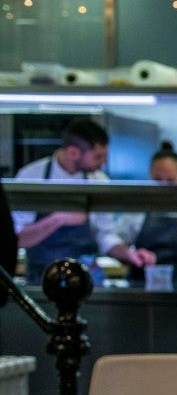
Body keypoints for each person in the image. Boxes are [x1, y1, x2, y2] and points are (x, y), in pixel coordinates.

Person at [12, 118, 150, 285]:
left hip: (87, 277)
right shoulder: (31, 176)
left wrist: (128, 254)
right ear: (72, 152)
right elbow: (20, 239)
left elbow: (105, 235)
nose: (104, 162)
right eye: (98, 156)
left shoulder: (99, 181)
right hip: (43, 277)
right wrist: (58, 218)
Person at [115, 141, 177, 291]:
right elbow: (118, 243)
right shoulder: (138, 205)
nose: (163, 186)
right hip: (140, 293)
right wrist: (132, 256)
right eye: (157, 180)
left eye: (170, 181)